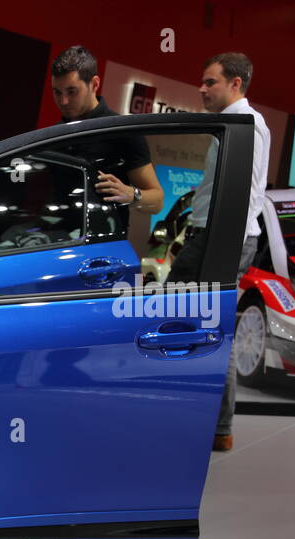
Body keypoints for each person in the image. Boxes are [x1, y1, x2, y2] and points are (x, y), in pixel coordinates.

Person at [166, 52, 270, 452]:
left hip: (223, 238)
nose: (202, 88)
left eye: (210, 82)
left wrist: (216, 244)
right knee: (197, 323)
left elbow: (245, 194)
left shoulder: (249, 124)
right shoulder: (231, 125)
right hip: (211, 235)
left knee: (180, 316)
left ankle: (214, 424)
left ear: (236, 84)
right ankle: (212, 424)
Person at [49, 46, 164, 217]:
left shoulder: (122, 131)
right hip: (56, 235)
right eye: (57, 92)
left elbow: (157, 201)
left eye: (72, 91)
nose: (63, 101)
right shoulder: (53, 136)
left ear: (94, 84)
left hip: (105, 239)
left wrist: (130, 194)